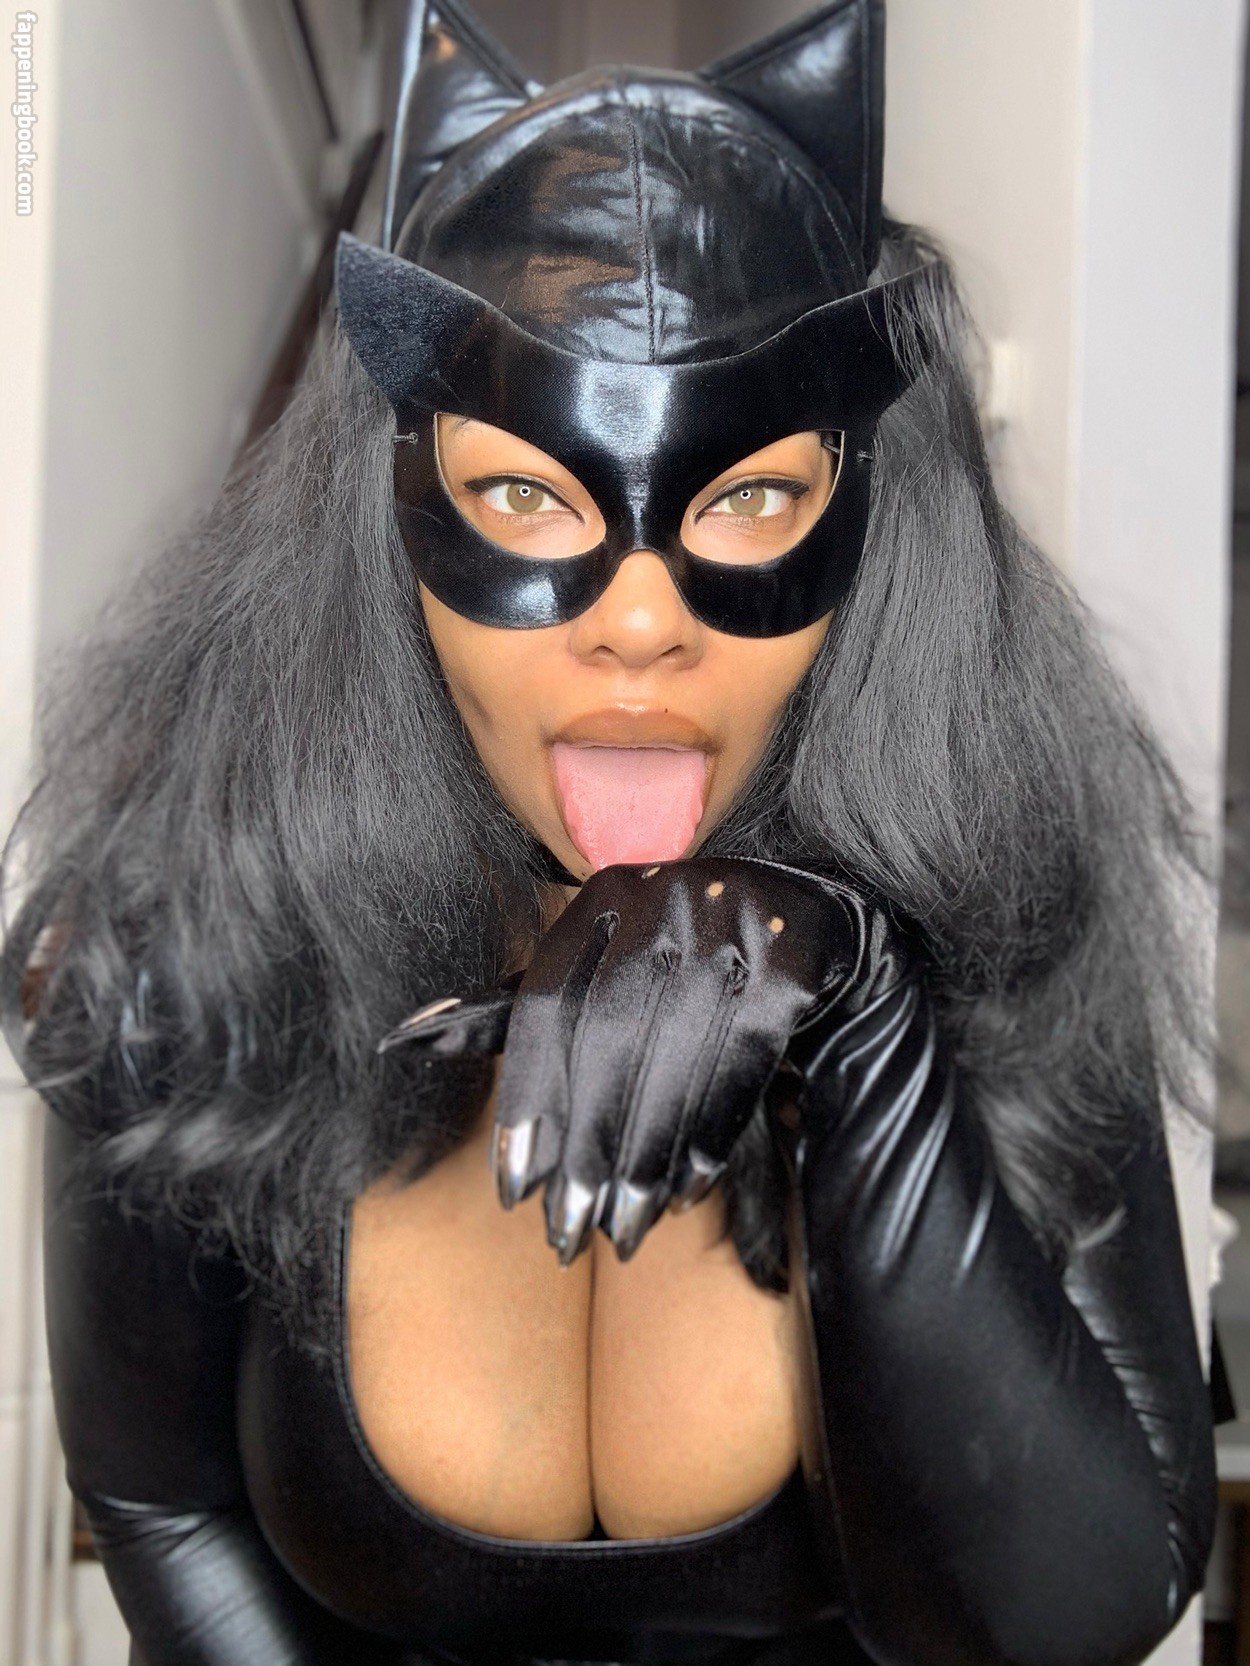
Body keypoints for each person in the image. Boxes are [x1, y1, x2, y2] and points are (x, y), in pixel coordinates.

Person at [1, 2, 1217, 1662]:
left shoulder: (1009, 925)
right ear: (386, 514)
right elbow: (165, 1501)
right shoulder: (188, 949)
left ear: (871, 521)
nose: (639, 624)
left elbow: (1078, 1611)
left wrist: (860, 1017)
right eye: (522, 495)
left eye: (751, 498)